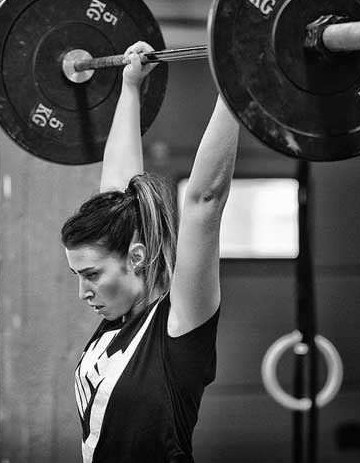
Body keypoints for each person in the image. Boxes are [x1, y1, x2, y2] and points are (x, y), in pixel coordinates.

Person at [61, 41, 240, 463]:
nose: (84, 292)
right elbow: (118, 196)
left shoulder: (178, 327)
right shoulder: (116, 321)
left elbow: (204, 201)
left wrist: (237, 88)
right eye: (79, 276)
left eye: (91, 275)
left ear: (137, 258)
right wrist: (129, 87)